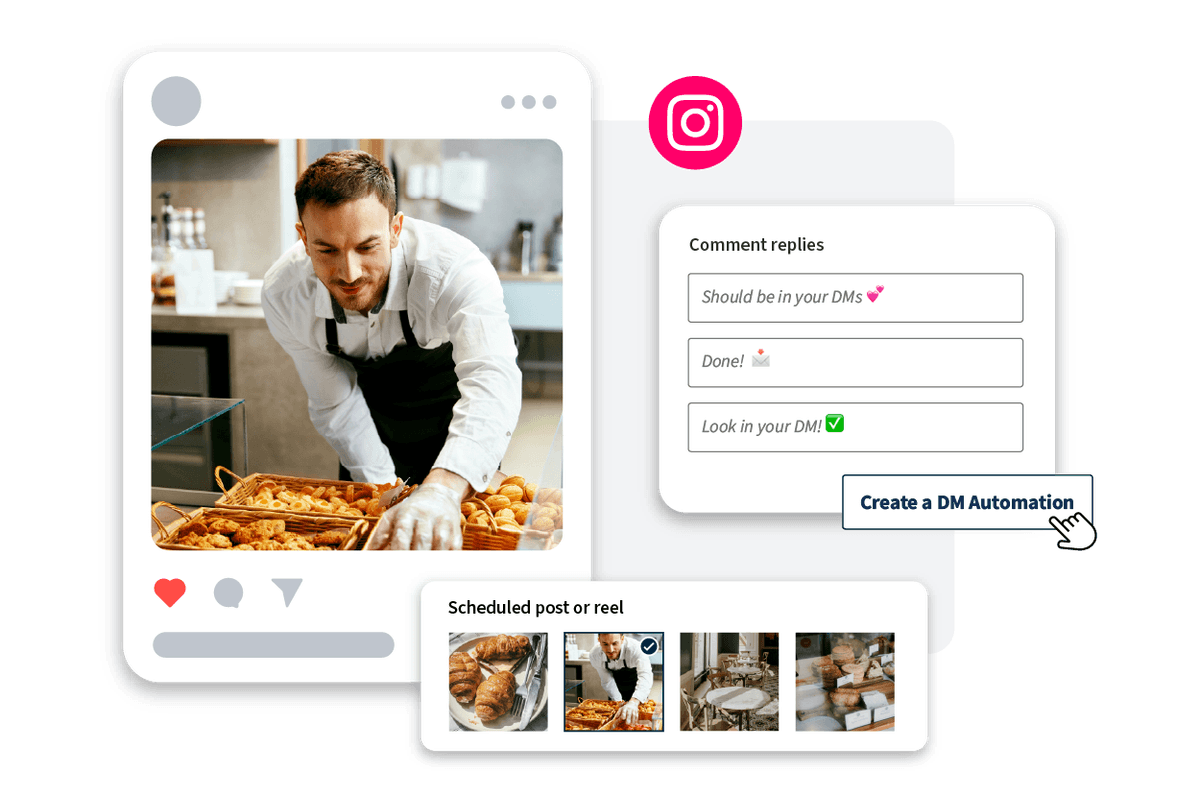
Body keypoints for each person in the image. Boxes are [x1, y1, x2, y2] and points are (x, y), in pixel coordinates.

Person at [262, 150, 521, 550]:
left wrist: (444, 490)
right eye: (326, 250)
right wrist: (386, 491)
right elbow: (336, 404)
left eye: (367, 247)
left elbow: (491, 377)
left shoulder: (455, 268)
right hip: (368, 421)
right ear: (303, 238)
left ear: (396, 229)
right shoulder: (285, 294)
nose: (349, 274)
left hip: (452, 415)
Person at [588, 633, 654, 725]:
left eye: (615, 643)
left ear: (622, 639)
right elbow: (608, 681)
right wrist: (619, 702)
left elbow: (645, 675)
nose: (610, 650)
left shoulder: (636, 649)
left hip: (636, 688)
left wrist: (634, 702)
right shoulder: (595, 655)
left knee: (638, 722)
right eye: (605, 644)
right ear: (599, 640)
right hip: (616, 688)